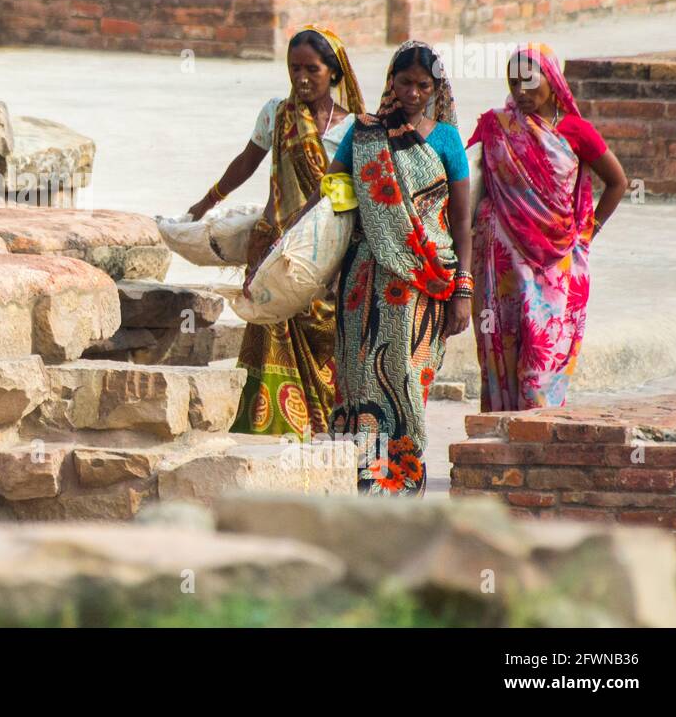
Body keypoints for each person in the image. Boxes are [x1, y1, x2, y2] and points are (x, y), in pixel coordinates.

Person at [284, 40, 472, 495]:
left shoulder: (446, 138)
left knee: (407, 378)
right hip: (363, 280)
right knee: (361, 375)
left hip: (424, 283)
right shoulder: (364, 133)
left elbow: (462, 219)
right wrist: (287, 241)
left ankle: (403, 481)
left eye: (422, 85)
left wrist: (464, 290)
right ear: (391, 83)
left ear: (435, 87)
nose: (412, 93)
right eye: (403, 82)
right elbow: (329, 194)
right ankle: (361, 481)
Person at [187, 26, 364, 438]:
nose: (301, 78)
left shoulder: (354, 128)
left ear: (334, 73)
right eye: (293, 68)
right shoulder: (277, 114)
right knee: (272, 331)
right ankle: (270, 426)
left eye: (312, 69)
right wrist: (207, 201)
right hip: (274, 248)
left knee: (326, 338)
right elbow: (247, 161)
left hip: (322, 252)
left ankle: (325, 427)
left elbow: (347, 195)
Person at [468, 43, 628, 411]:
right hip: (501, 263)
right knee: (502, 352)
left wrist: (589, 232)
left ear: (553, 80)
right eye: (513, 83)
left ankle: (537, 436)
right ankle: (498, 444)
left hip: (556, 265)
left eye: (530, 81)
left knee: (542, 358)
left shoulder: (575, 130)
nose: (521, 92)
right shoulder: (495, 125)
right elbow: (467, 178)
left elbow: (617, 181)